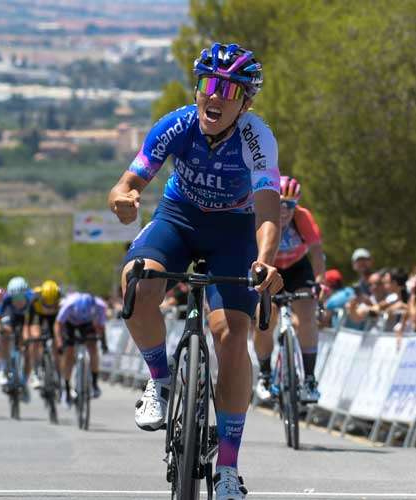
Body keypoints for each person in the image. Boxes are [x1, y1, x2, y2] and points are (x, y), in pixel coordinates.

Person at [107, 42, 282, 498]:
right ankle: (161, 382)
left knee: (231, 334)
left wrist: (265, 260)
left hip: (234, 231)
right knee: (136, 283)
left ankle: (227, 469)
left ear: (245, 101)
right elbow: (128, 183)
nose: (216, 96)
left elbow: (267, 208)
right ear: (198, 88)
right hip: (178, 218)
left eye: (229, 89)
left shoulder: (256, 137)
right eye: (209, 84)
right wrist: (123, 200)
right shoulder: (177, 124)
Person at [253, 175, 324, 404]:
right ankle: (264, 375)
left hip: (296, 268)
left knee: (306, 316)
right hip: (268, 268)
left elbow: (316, 251)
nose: (283, 211)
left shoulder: (302, 218)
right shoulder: (260, 216)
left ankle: (310, 379)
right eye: (279, 205)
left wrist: (320, 282)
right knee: (264, 319)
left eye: (289, 206)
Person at [54, 292, 108, 404]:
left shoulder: (100, 305)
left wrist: (103, 342)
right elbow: (58, 324)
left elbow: (101, 327)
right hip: (70, 324)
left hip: (88, 324)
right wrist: (59, 343)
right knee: (69, 353)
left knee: (93, 347)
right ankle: (67, 388)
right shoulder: (69, 304)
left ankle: (94, 383)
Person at [0, 276, 33, 402]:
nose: (18, 300)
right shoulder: (6, 300)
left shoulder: (32, 299)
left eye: (21, 297)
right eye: (15, 298)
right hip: (12, 317)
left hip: (26, 319)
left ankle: (24, 381)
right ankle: (3, 368)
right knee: (5, 332)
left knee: (28, 348)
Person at [28, 280, 62, 390]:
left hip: (54, 317)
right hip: (38, 315)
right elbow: (28, 319)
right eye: (46, 303)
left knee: (57, 342)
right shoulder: (34, 297)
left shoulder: (61, 297)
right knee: (36, 337)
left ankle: (57, 372)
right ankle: (34, 371)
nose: (49, 306)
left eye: (52, 303)